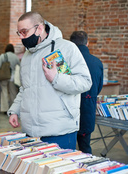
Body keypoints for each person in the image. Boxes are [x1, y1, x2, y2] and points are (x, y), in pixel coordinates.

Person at [8, 12, 92, 149]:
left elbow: (85, 82)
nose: (21, 37)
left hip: (59, 130)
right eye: (19, 33)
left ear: (39, 28)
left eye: (24, 32)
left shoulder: (67, 48)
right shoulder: (27, 56)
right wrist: (14, 111)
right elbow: (25, 88)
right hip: (31, 131)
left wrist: (56, 78)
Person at [70, 31, 103, 153]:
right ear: (87, 43)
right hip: (87, 108)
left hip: (68, 109)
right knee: (85, 147)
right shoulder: (96, 62)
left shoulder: (65, 61)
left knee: (66, 150)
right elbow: (98, 87)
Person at [0, 44, 20, 113]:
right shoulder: (15, 56)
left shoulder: (3, 56)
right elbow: (19, 65)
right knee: (13, 93)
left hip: (4, 76)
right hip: (13, 77)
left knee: (4, 92)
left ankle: (5, 109)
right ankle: (14, 108)